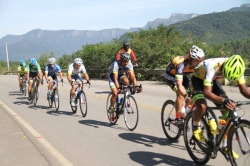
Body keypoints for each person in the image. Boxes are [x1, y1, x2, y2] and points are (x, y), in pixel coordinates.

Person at [191, 54, 250, 159]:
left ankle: (224, 145)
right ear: (224, 67)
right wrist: (223, 100)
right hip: (197, 81)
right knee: (202, 106)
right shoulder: (212, 65)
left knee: (229, 110)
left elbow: (244, 90)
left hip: (212, 81)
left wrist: (225, 102)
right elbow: (207, 92)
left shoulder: (239, 68)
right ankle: (196, 126)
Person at [165, 45, 205, 123]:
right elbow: (179, 84)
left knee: (192, 93)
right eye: (197, 61)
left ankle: (185, 112)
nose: (199, 63)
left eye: (201, 60)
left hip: (183, 75)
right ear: (190, 58)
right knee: (181, 94)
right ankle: (178, 118)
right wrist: (185, 95)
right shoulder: (181, 64)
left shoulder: (198, 65)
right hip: (171, 76)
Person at [108, 52, 141, 121]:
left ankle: (126, 96)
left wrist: (136, 86)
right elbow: (115, 79)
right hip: (112, 76)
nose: (126, 63)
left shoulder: (129, 63)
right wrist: (118, 87)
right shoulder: (116, 64)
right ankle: (111, 109)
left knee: (126, 81)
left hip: (120, 74)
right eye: (124, 61)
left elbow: (132, 76)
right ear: (121, 60)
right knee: (115, 93)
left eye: (127, 61)